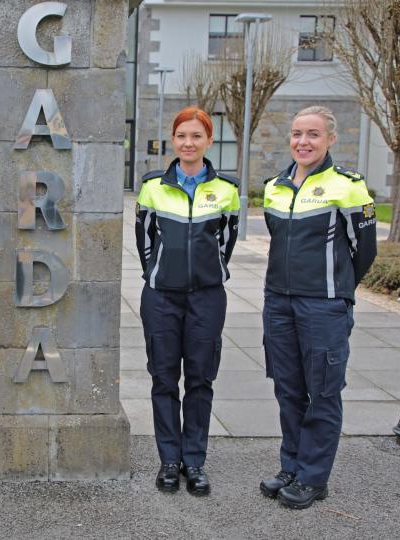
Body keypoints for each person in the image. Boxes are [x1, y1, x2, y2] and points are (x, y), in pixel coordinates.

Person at [259, 106, 377, 509]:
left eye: (312, 134)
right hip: (278, 304)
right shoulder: (275, 186)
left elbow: (365, 251)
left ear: (330, 139)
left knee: (323, 393)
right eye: (296, 134)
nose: (303, 142)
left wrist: (338, 291)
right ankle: (291, 466)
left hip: (323, 308)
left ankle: (313, 478)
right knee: (288, 390)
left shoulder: (348, 186)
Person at [135, 107, 240, 495]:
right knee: (164, 379)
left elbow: (225, 245)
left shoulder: (226, 191)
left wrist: (208, 275)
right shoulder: (152, 188)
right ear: (173, 141)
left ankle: (194, 461)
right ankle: (169, 460)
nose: (188, 143)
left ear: (209, 141)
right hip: (161, 298)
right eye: (182, 136)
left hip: (207, 300)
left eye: (197, 136)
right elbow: (145, 241)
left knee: (199, 379)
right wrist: (158, 275)